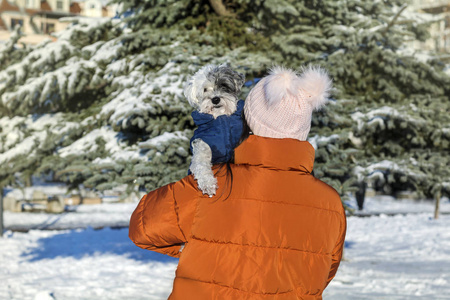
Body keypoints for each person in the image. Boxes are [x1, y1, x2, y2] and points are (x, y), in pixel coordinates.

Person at [129, 66, 347, 300]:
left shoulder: (212, 183)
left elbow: (143, 228)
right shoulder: (331, 203)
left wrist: (190, 247)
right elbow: (324, 273)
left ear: (248, 120)